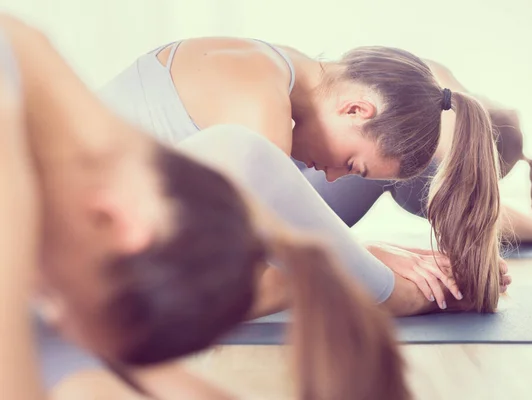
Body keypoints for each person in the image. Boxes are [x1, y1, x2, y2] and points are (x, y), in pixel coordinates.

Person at [0, 14, 409, 400]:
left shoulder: (42, 83)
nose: (49, 309)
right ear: (117, 222)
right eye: (58, 301)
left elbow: (97, 356)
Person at [100, 37, 511, 313]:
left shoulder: (272, 70)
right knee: (293, 278)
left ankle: (416, 287)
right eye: (351, 164)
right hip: (90, 258)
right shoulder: (259, 109)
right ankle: (420, 294)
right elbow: (227, 290)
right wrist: (371, 264)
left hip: (126, 231)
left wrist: (368, 252)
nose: (333, 176)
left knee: (315, 267)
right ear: (356, 109)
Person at [292, 57, 532, 244]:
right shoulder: (432, 92)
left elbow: (467, 205)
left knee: (404, 170)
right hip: (278, 181)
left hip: (281, 185)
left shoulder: (427, 87)